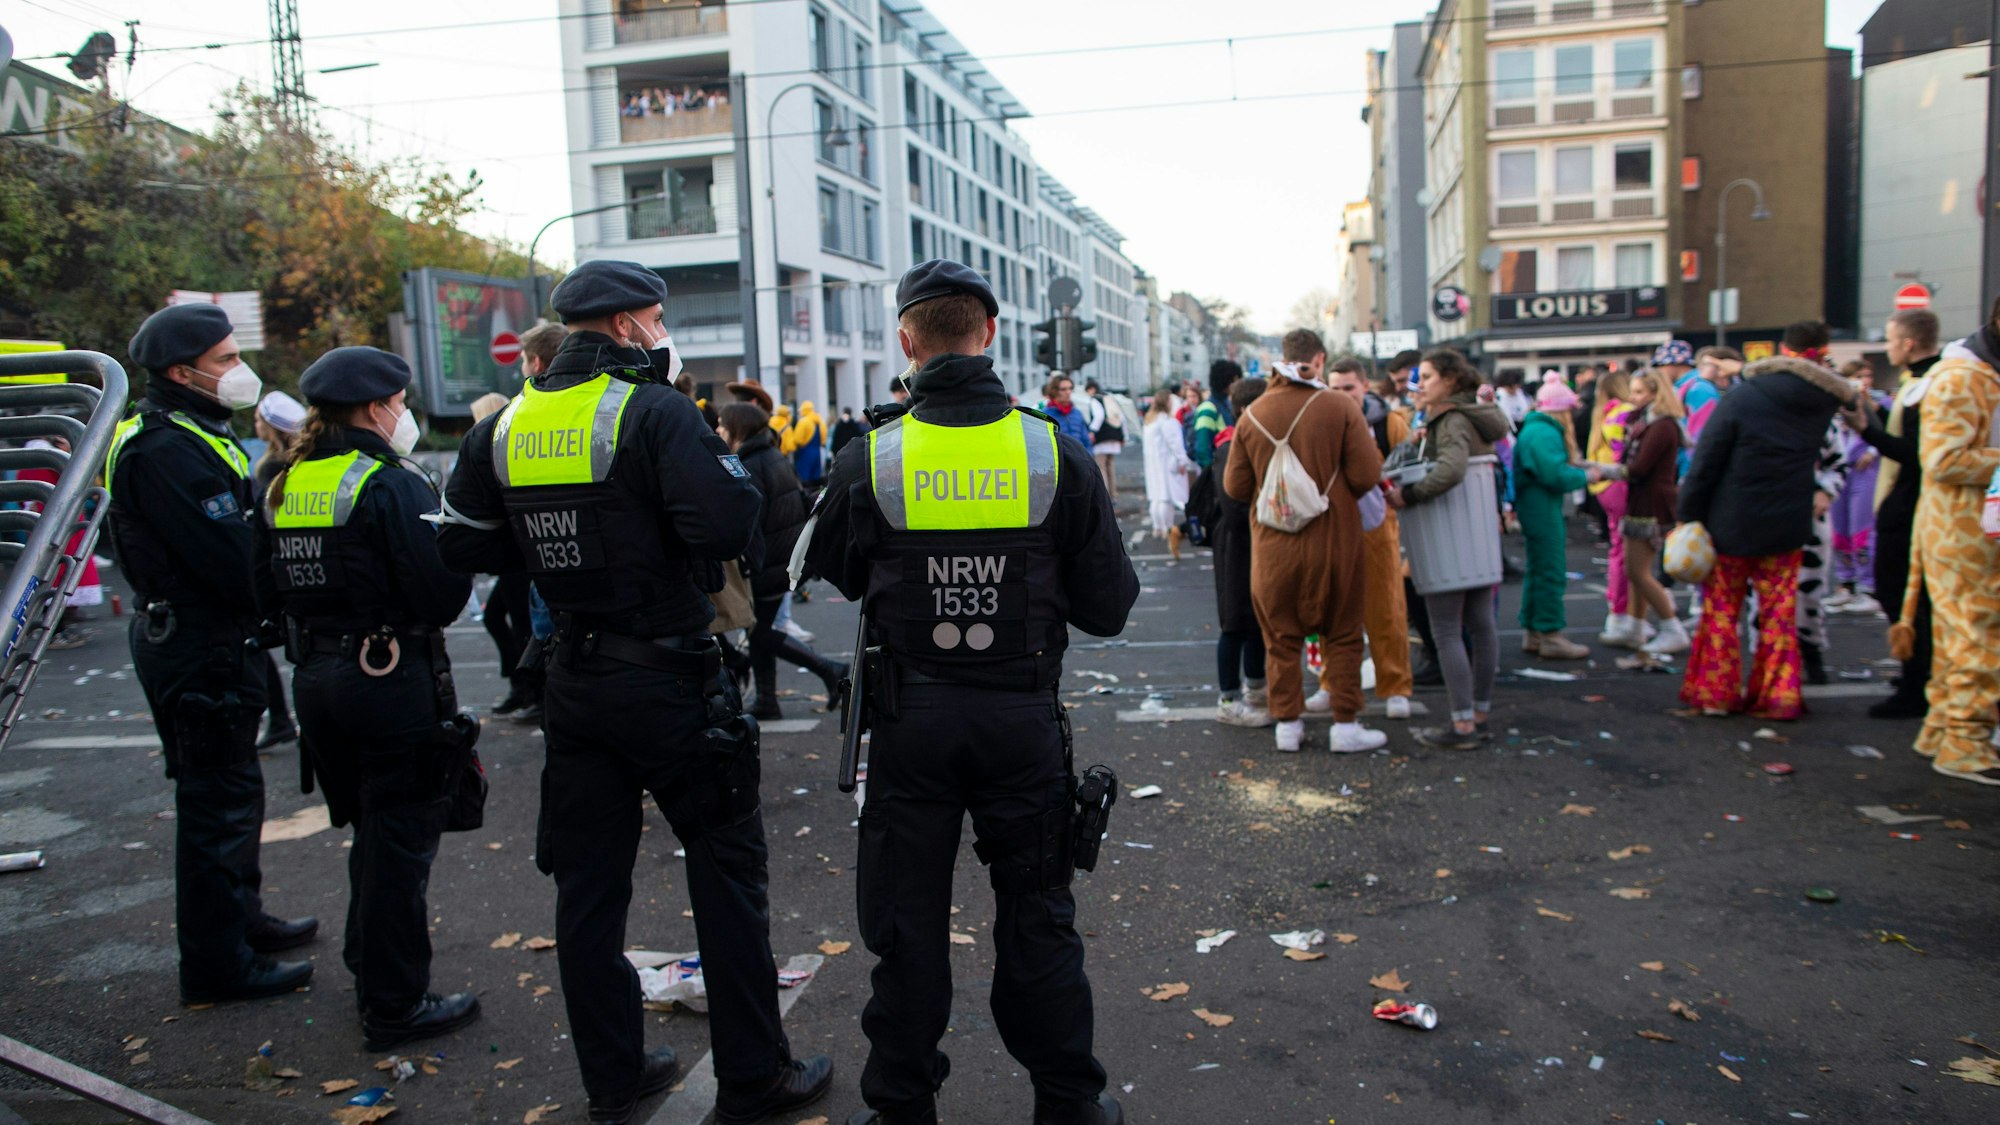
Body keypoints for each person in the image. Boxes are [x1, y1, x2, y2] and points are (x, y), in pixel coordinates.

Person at [436, 260, 832, 1125]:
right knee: (727, 877)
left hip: (572, 675)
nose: (661, 334)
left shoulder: (506, 425)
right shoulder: (651, 411)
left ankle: (614, 1075)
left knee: (587, 890)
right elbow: (730, 524)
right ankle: (755, 1075)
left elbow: (462, 542)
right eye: (654, 319)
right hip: (666, 675)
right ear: (624, 327)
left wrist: (555, 554)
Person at [798, 259, 1136, 1125]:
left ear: (907, 341)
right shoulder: (1050, 447)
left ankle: (902, 1107)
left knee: (905, 929)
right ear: (988, 335)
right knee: (1039, 916)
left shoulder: (869, 454)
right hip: (1020, 719)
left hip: (911, 723)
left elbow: (827, 573)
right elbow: (1108, 607)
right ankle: (1070, 1104)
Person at [258, 346, 481, 1049]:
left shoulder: (288, 479)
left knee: (373, 833)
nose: (402, 413)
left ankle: (370, 961)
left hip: (318, 677)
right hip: (389, 678)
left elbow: (262, 590)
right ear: (377, 406)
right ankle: (394, 1002)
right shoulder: (389, 482)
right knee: (401, 841)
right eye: (399, 401)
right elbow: (440, 589)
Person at [109, 304, 317, 1004]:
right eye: (226, 359)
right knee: (215, 804)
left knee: (236, 792)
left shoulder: (195, 430)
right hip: (197, 643)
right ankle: (218, 963)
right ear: (181, 371)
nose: (239, 370)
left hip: (214, 637)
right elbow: (228, 555)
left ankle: (242, 922)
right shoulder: (164, 446)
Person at [1223, 329, 1388, 755]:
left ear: (1282, 358)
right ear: (1320, 358)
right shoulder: (1339, 407)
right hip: (1335, 541)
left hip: (1274, 548)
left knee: (1280, 637)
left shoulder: (1253, 412)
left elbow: (1236, 487)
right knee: (1344, 634)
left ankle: (1288, 725)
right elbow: (1367, 476)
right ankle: (1346, 725)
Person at [1676, 352, 1855, 720]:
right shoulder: (1818, 406)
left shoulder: (1743, 398)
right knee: (1778, 613)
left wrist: (1688, 515)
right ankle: (1779, 695)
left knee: (1723, 611)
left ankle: (1717, 693)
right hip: (1788, 522)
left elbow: (1707, 459)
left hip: (1733, 520)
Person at [1385, 349, 1510, 750]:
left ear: (1451, 381)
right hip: (1477, 537)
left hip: (1448, 538)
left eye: (1426, 377)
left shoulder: (1451, 418)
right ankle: (1479, 715)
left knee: (1446, 630)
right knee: (1481, 625)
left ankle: (1462, 726)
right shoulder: (1475, 413)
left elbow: (1453, 468)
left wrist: (1411, 494)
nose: (1418, 385)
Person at [1905, 300, 2000, 784]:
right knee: (1978, 637)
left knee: (1959, 636)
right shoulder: (1964, 377)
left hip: (1966, 529)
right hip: (1965, 531)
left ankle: (1943, 729)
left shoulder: (1973, 374)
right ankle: (1964, 742)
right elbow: (1943, 459)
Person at [714, 401, 847, 720]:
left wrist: (748, 564)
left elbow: (751, 520)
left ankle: (830, 669)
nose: (718, 429)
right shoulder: (770, 455)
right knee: (759, 633)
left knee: (758, 633)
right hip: (783, 558)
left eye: (722, 424)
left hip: (769, 564)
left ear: (738, 428)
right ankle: (767, 701)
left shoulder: (751, 462)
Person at [1844, 308, 1942, 719]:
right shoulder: (1920, 383)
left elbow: (1916, 453)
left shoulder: (1931, 385)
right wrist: (1874, 418)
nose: (1886, 348)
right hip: (1907, 503)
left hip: (1912, 506)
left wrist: (1867, 431)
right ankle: (1917, 674)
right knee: (1905, 596)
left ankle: (1919, 682)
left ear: (1908, 343)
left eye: (1889, 340)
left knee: (1904, 594)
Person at [1327, 358, 1413, 719]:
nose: (1342, 395)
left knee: (1386, 610)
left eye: (1348, 387)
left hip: (1379, 530)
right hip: (1333, 528)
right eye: (1335, 389)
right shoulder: (1324, 422)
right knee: (1330, 612)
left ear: (1365, 386)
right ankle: (1329, 683)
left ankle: (1395, 686)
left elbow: (1408, 468)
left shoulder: (1389, 423)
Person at [1514, 375, 1613, 660]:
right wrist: (1587, 475)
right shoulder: (1544, 433)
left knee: (1539, 568)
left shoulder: (1535, 429)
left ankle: (1534, 630)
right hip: (1541, 507)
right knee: (1550, 570)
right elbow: (1555, 474)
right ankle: (1550, 633)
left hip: (1535, 505)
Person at [1211, 377, 1271, 727]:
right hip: (1237, 545)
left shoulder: (1246, 443)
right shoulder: (1228, 447)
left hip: (1253, 540)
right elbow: (1234, 508)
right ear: (1248, 409)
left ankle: (1256, 687)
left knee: (1257, 619)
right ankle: (1229, 698)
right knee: (1235, 619)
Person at [249, 390, 306, 749]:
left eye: (258, 419)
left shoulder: (271, 467)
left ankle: (282, 720)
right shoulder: (299, 459)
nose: (254, 424)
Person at [1619, 370, 1689, 657]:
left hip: (1651, 503)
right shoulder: (1647, 423)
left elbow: (1639, 468)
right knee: (1636, 571)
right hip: (1644, 500)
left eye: (1638, 392)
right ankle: (1636, 625)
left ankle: (1672, 627)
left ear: (1654, 393)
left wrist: (1598, 471)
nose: (1632, 398)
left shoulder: (1661, 426)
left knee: (1638, 571)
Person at [1827, 360, 1888, 616]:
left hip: (1866, 472)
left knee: (1862, 529)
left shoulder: (1880, 404)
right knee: (1839, 530)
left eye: (1866, 376)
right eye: (1856, 377)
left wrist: (1873, 450)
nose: (1863, 381)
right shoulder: (1832, 406)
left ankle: (1868, 588)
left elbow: (1894, 432)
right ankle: (1845, 585)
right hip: (1841, 471)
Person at [1586, 371, 1642, 646]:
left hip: (1605, 488)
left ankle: (1620, 611)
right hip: (1619, 486)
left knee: (1618, 549)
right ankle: (1622, 613)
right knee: (1626, 552)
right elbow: (1627, 456)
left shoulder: (1604, 414)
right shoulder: (1624, 413)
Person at [1140, 389, 1194, 558]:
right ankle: (1168, 528)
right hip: (1166, 464)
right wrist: (1183, 461)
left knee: (1156, 497)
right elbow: (1176, 445)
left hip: (1153, 464)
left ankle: (1158, 527)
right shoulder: (1168, 422)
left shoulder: (1149, 421)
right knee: (1166, 497)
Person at [1188, 360, 1239, 469]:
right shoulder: (1208, 409)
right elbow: (1202, 449)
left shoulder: (1226, 405)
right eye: (1234, 381)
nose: (1237, 385)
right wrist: (1212, 475)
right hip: (1217, 474)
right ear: (1226, 382)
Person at [1083, 379, 1125, 499]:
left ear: (1091, 389)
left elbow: (1099, 416)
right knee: (1111, 465)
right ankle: (1114, 494)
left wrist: (1092, 431)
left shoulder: (1095, 399)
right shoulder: (1110, 397)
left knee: (1101, 467)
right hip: (1115, 436)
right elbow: (1121, 418)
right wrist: (1123, 436)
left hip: (1102, 438)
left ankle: (1105, 496)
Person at [1043, 373, 1094, 450]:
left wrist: (1088, 458)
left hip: (1080, 458)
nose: (1068, 392)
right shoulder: (1046, 414)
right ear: (1054, 391)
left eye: (1070, 388)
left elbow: (1086, 440)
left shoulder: (1077, 413)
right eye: (1063, 389)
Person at [790, 399, 828, 488]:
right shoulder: (819, 421)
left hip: (805, 453)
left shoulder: (803, 421)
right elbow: (823, 438)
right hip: (817, 451)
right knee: (816, 478)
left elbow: (797, 439)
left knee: (804, 477)